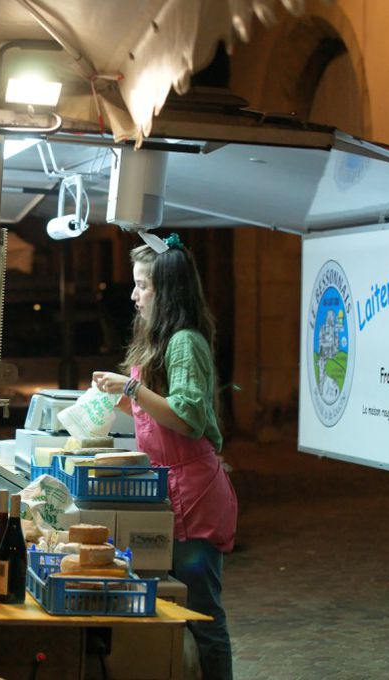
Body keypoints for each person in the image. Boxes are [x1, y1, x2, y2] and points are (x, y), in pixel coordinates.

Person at [92, 234, 237, 680]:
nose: (134, 296)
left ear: (166, 291)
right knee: (175, 605)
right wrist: (112, 399)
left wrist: (133, 389)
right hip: (167, 494)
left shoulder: (185, 342)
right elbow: (157, 410)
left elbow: (189, 417)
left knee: (202, 613)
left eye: (142, 286)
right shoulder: (161, 340)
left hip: (193, 499)